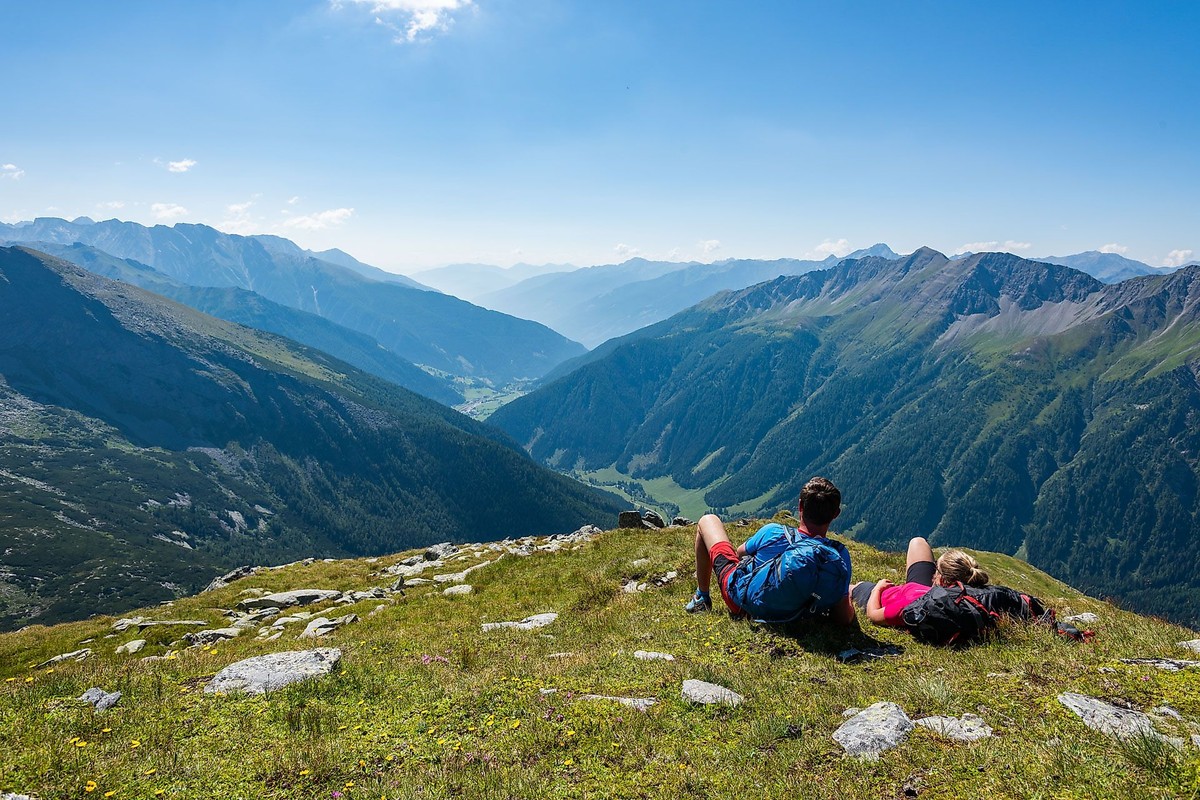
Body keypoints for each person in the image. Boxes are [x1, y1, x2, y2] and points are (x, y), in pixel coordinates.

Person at [685, 476, 855, 625]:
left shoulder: (773, 532)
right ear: (836, 514)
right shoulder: (838, 555)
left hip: (745, 605)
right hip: (797, 617)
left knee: (708, 520)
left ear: (800, 506)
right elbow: (843, 618)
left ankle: (702, 596)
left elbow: (739, 553)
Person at [850, 537, 989, 627]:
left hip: (888, 596)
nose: (932, 573)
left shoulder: (913, 604)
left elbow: (873, 615)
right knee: (918, 542)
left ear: (942, 579)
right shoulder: (968, 600)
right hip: (925, 590)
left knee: (853, 587)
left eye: (936, 570)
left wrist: (877, 588)